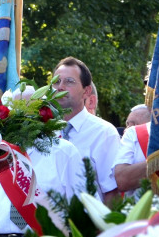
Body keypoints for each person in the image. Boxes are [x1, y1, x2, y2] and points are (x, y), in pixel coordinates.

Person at [52, 57, 121, 202]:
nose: (60, 87)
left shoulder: (104, 133)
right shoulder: (42, 132)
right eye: (56, 82)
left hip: (86, 222)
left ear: (86, 91)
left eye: (69, 81)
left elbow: (112, 193)